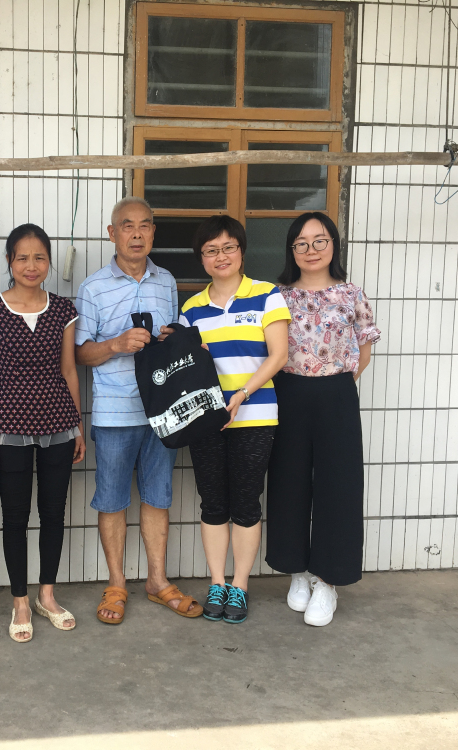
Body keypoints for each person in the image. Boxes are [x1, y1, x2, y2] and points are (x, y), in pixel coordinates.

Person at [75, 196, 203, 624]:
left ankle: (156, 581)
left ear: (153, 232)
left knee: (157, 496)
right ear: (112, 233)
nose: (136, 234)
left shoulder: (166, 280)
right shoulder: (93, 287)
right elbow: (80, 353)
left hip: (162, 409)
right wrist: (116, 344)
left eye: (144, 225)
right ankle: (116, 584)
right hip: (114, 410)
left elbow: (177, 341)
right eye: (127, 226)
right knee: (112, 500)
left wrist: (170, 336)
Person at [0, 224, 86, 643]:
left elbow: (69, 370)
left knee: (54, 514)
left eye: (39, 257)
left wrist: (77, 426)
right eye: (22, 257)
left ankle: (46, 596)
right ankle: (20, 600)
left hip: (58, 424)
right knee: (16, 518)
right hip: (8, 428)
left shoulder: (62, 309)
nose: (31, 265)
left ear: (49, 262)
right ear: (9, 261)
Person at [266, 211, 381, 627]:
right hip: (287, 392)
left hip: (336, 394)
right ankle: (296, 570)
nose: (311, 249)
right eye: (301, 243)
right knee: (288, 480)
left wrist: (333, 383)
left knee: (339, 486)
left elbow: (363, 351)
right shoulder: (276, 296)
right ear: (291, 250)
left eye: (319, 241)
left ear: (333, 244)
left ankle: (328, 581)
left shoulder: (351, 294)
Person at [178, 216, 291, 624]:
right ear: (202, 259)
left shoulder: (266, 295)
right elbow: (189, 366)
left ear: (241, 252)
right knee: (212, 503)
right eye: (211, 250)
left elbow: (279, 355)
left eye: (228, 247)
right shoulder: (191, 308)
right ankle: (217, 583)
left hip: (255, 416)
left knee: (245, 502)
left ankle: (240, 586)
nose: (220, 256)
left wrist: (241, 395)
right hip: (207, 420)